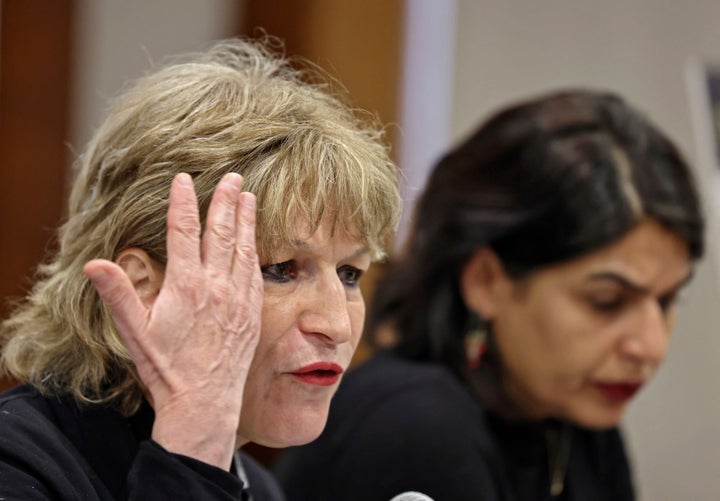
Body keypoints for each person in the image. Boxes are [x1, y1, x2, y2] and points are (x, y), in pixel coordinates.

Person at [0, 36, 400, 500]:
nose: (335, 324)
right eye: (282, 269)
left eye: (350, 273)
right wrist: (192, 449)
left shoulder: (258, 487)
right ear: (142, 287)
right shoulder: (16, 465)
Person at [274, 89, 705, 500]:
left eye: (665, 301)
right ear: (485, 281)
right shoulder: (415, 427)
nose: (650, 346)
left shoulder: (576, 417)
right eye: (606, 301)